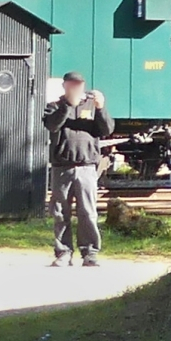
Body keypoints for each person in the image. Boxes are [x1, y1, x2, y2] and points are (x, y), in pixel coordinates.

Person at [43, 73, 113, 267]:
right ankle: (63, 252)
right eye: (72, 85)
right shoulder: (54, 106)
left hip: (86, 166)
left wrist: (101, 108)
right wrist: (68, 105)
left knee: (88, 212)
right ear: (64, 86)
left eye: (79, 85)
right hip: (62, 167)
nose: (76, 88)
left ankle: (90, 253)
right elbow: (52, 125)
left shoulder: (90, 105)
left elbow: (106, 129)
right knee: (60, 212)